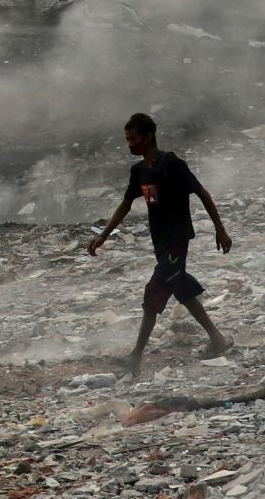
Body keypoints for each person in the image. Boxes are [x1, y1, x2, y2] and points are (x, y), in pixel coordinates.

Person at [85, 111, 233, 377]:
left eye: (133, 139)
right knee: (181, 289)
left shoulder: (171, 164)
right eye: (127, 140)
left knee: (154, 291)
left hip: (177, 241)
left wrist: (220, 230)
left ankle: (135, 357)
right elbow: (127, 203)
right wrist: (103, 235)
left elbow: (202, 193)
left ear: (149, 136)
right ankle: (218, 339)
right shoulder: (140, 171)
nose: (130, 145)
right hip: (161, 243)